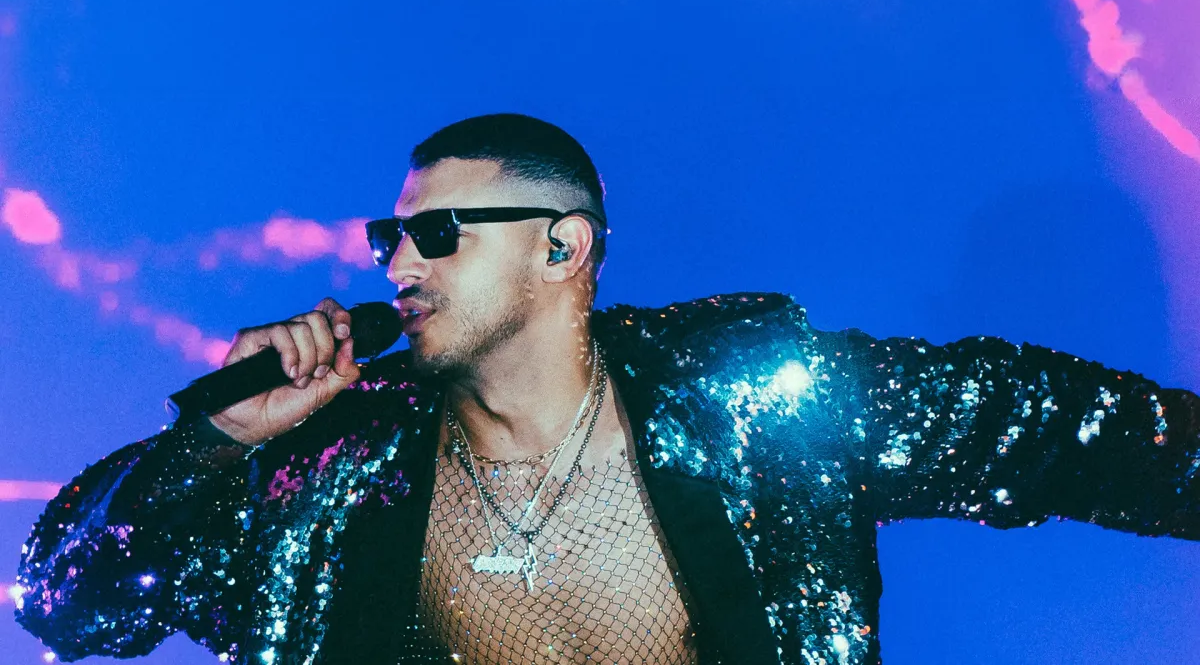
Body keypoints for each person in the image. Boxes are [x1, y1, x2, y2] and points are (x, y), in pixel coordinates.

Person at [14, 113, 1200, 665]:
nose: (397, 264)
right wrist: (215, 441)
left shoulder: (750, 408)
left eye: (438, 232)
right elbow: (67, 606)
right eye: (389, 236)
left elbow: (1056, 424)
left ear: (562, 247)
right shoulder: (327, 474)